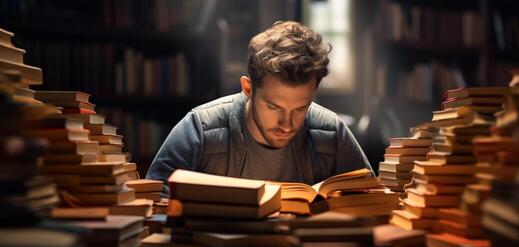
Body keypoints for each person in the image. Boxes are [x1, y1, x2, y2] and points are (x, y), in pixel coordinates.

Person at [146, 21, 371, 195]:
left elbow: (372, 201)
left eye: (300, 109)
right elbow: (154, 203)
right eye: (273, 107)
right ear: (248, 88)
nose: (287, 124)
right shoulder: (201, 129)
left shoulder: (331, 132)